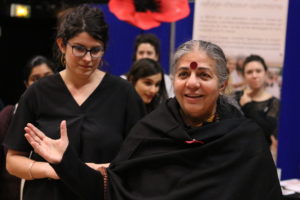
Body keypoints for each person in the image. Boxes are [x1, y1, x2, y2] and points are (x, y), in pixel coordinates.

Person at [24, 40, 282, 200]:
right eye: (183, 74)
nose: (192, 83)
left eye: (203, 75)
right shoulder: (150, 131)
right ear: (174, 80)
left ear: (222, 84)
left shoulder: (244, 140)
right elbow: (113, 190)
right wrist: (66, 162)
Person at [4, 5, 145, 200]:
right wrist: (54, 169)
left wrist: (102, 170)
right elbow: (12, 161)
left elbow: (140, 162)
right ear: (62, 44)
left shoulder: (124, 93)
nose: (88, 58)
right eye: (79, 49)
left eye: (95, 50)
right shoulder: (38, 93)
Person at [0, 55, 55, 200]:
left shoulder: (69, 112)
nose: (42, 83)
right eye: (36, 79)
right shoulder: (10, 113)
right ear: (26, 84)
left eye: (48, 76)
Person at [234, 54, 280, 161]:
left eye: (258, 71)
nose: (254, 75)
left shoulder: (274, 103)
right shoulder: (234, 98)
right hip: (235, 157)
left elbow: (268, 132)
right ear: (244, 76)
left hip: (260, 159)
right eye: (249, 72)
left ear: (265, 73)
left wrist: (248, 106)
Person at [122, 33, 174, 97]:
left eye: (149, 53)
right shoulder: (123, 80)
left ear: (157, 56)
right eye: (141, 53)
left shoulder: (167, 81)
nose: (144, 57)